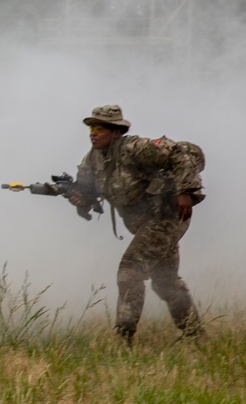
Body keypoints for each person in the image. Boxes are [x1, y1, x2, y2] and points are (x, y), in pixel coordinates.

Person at [67, 105, 205, 345]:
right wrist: (79, 199)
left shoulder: (135, 148)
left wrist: (186, 191)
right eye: (91, 127)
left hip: (166, 218)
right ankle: (196, 336)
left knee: (130, 270)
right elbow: (87, 190)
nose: (93, 133)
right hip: (144, 225)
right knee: (165, 283)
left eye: (100, 128)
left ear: (116, 131)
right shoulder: (93, 158)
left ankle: (124, 337)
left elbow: (179, 153)